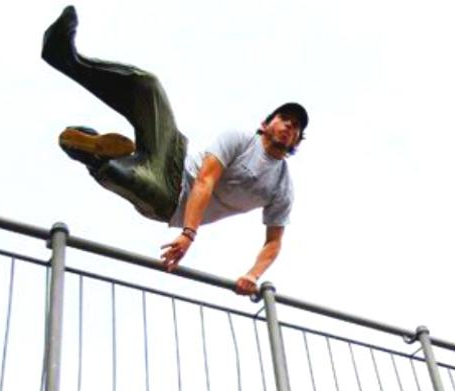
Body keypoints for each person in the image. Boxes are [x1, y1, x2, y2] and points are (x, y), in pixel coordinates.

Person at [41, 5, 308, 295]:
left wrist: (252, 275)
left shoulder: (281, 187)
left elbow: (274, 242)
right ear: (265, 124)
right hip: (175, 157)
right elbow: (205, 179)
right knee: (149, 86)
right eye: (284, 119)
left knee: (130, 179)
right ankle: (64, 57)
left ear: (296, 141)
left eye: (295, 127)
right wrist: (189, 234)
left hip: (171, 202)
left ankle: (95, 154)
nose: (288, 126)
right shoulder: (240, 139)